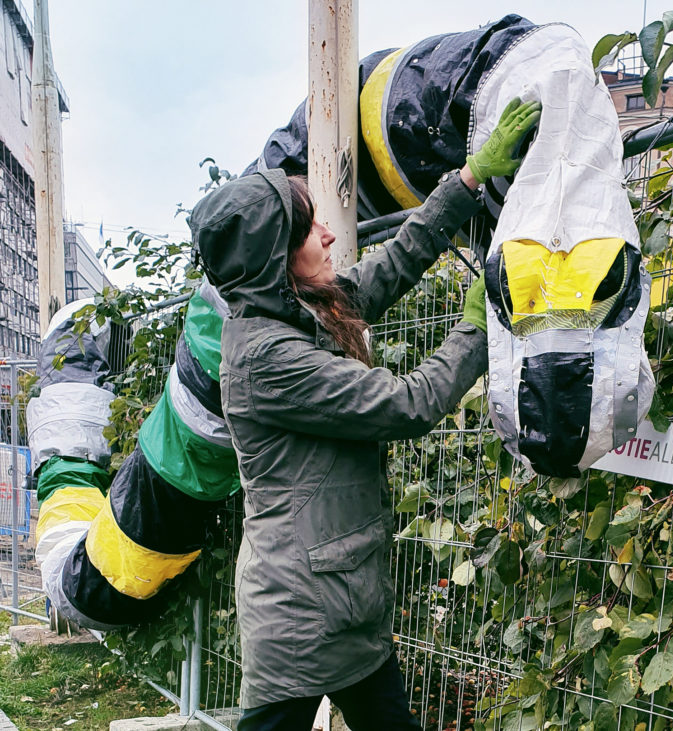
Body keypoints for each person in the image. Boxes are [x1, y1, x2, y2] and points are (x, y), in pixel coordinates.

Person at [190, 98, 540, 731]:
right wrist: (474, 329)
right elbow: (409, 404)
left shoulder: (301, 311)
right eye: (308, 231)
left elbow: (392, 265)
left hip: (346, 604)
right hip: (298, 619)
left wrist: (465, 182)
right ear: (274, 257)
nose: (328, 235)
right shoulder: (266, 358)